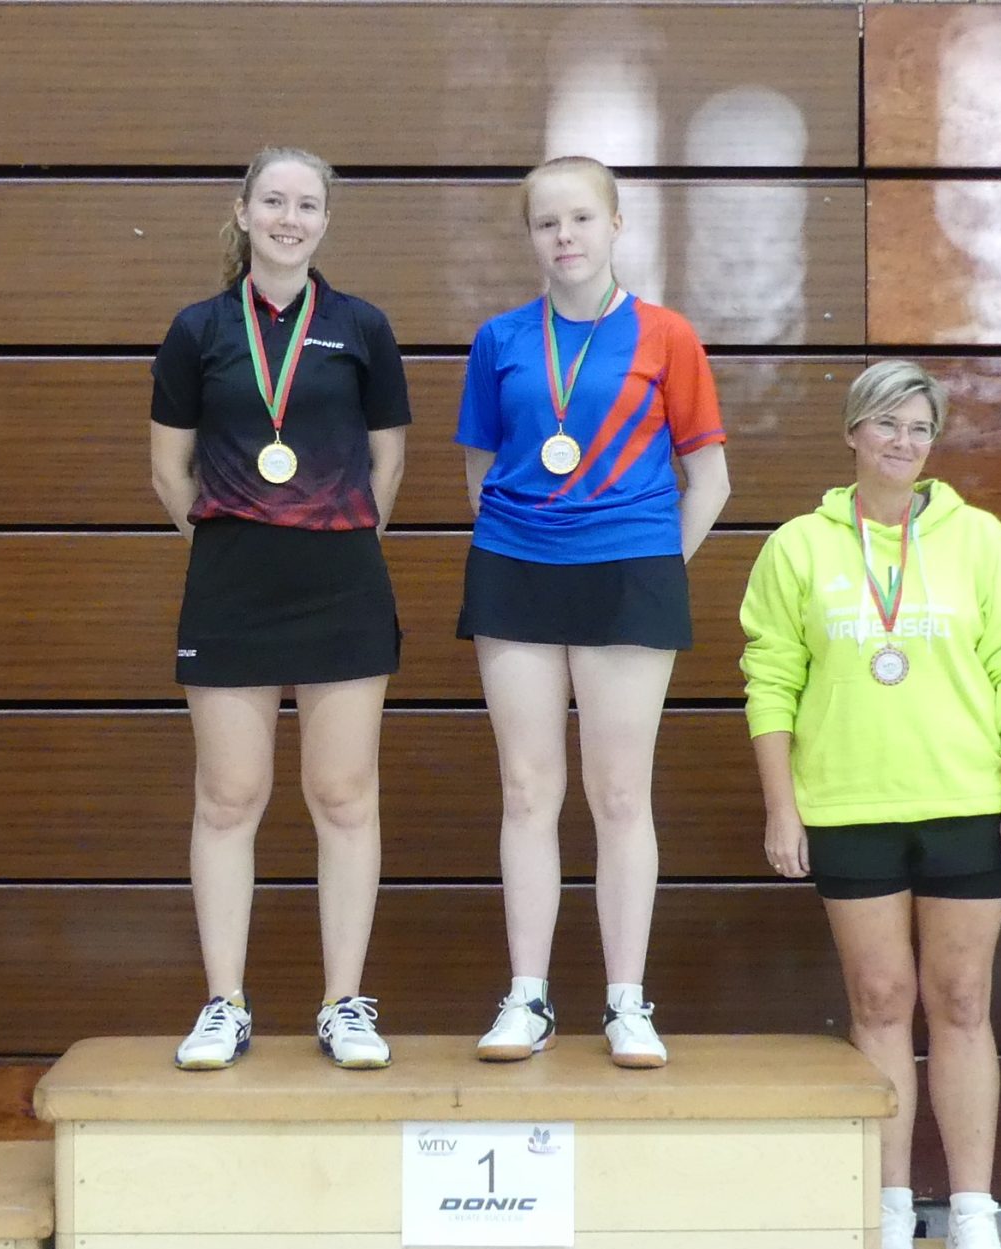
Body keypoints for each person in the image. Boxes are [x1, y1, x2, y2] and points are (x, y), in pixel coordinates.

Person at [740, 360, 1001, 1249]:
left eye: (919, 428)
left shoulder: (979, 539)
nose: (903, 443)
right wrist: (782, 808)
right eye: (886, 424)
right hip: (849, 807)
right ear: (852, 432)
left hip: (964, 805)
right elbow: (770, 680)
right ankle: (888, 1208)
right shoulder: (797, 546)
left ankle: (972, 1212)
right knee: (879, 1003)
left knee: (961, 1003)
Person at [455, 156, 733, 1069]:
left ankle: (625, 1002)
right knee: (528, 790)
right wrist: (535, 540)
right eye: (547, 223)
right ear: (531, 237)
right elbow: (479, 471)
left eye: (580, 218)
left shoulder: (667, 335)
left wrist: (649, 565)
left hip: (630, 575)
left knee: (619, 794)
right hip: (517, 572)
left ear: (616, 223)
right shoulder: (500, 339)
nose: (564, 237)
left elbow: (710, 480)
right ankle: (527, 999)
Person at [149, 146, 410, 1071]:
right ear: (244, 211)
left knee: (343, 795)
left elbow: (387, 460)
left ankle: (344, 1003)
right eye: (273, 201)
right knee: (228, 797)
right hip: (232, 585)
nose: (289, 219)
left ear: (325, 220)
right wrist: (237, 536)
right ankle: (224, 1002)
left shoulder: (362, 327)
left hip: (342, 582)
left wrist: (335, 531)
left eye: (306, 205)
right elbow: (168, 469)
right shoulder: (197, 329)